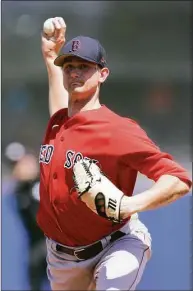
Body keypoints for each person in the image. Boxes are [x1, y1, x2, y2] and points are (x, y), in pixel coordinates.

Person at [37, 17, 192, 291]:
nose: (74, 73)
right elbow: (61, 104)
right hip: (61, 260)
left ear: (103, 74)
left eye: (84, 67)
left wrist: (130, 205)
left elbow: (178, 179)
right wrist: (51, 57)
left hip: (117, 243)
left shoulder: (117, 130)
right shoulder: (59, 122)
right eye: (69, 67)